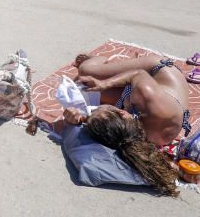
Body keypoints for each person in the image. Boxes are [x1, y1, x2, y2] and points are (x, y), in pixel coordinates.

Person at [63, 52, 190, 196]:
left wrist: (78, 119)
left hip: (150, 78)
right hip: (152, 74)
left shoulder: (134, 134)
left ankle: (106, 65)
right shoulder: (150, 99)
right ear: (122, 112)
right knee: (85, 74)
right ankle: (106, 65)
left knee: (82, 80)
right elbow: (138, 74)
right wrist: (104, 84)